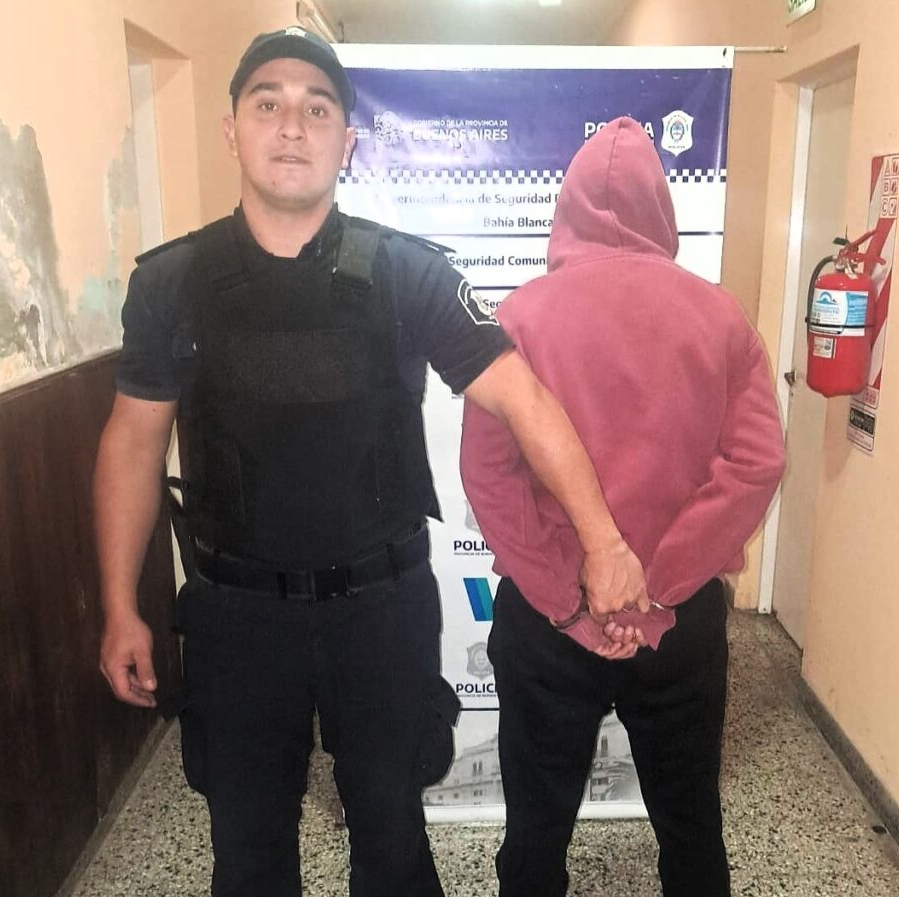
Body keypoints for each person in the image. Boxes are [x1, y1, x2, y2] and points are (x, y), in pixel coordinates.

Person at [94, 31, 646, 897]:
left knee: (391, 842)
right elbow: (131, 442)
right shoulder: (173, 283)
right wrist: (120, 606)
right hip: (237, 617)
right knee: (247, 849)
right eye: (267, 103)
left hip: (378, 614)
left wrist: (604, 541)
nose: (292, 125)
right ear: (231, 129)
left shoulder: (405, 272)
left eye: (317, 109)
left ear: (347, 142)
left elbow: (524, 399)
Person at [460, 116, 787, 897]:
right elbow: (757, 461)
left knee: (534, 833)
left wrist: (569, 597)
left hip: (549, 622)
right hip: (678, 623)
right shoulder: (720, 317)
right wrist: (657, 587)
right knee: (690, 827)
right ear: (660, 210)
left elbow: (488, 476)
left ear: (566, 207)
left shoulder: (519, 317)